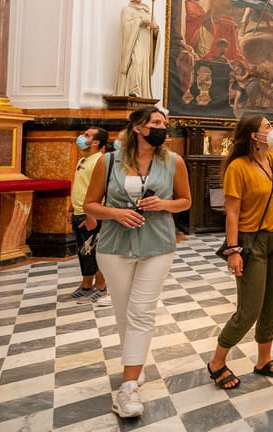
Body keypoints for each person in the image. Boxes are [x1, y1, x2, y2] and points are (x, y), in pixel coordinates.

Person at [83, 107, 191, 418]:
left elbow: (185, 200)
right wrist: (116, 213)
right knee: (123, 309)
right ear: (137, 128)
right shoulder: (109, 162)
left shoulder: (173, 162)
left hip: (157, 242)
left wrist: (163, 203)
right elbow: (90, 203)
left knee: (142, 309)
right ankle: (136, 361)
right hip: (114, 245)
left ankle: (128, 386)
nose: (162, 127)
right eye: (156, 123)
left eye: (164, 123)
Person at [207, 113, 273, 390]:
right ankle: (217, 361)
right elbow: (232, 213)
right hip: (251, 242)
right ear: (254, 135)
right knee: (249, 309)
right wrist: (233, 250)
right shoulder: (238, 168)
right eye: (268, 127)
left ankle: (264, 360)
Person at [60, 127, 110, 305]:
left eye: (87, 135)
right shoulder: (83, 160)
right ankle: (86, 286)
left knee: (96, 252)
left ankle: (102, 287)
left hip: (92, 214)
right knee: (83, 251)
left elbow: (99, 190)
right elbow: (80, 186)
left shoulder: (100, 161)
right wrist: (72, 208)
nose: (81, 137)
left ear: (96, 142)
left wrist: (91, 214)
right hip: (80, 212)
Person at [113, 0, 159, 99]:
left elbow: (155, 30)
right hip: (135, 40)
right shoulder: (127, 10)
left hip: (146, 42)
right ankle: (134, 90)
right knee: (136, 62)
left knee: (144, 65)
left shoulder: (147, 11)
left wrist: (156, 28)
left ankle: (143, 93)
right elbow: (125, 26)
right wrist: (139, 22)